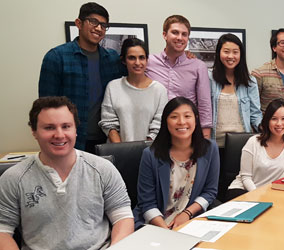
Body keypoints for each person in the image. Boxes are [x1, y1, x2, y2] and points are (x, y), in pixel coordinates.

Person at [0, 96, 133, 249]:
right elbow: (3, 231)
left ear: (75, 129)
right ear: (34, 131)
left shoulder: (103, 169)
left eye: (66, 126)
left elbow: (123, 218)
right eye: (49, 127)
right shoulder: (13, 178)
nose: (59, 135)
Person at [38, 2, 124, 151]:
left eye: (103, 25)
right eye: (94, 22)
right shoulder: (57, 57)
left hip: (106, 140)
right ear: (79, 23)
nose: (99, 28)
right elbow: (46, 107)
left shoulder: (112, 59)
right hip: (70, 140)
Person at [134, 97, 219, 230]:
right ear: (165, 122)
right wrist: (166, 230)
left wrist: (187, 213)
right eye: (174, 117)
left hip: (192, 220)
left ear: (196, 119)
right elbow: (147, 203)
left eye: (187, 116)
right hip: (156, 222)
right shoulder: (150, 155)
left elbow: (210, 191)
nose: (181, 122)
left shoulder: (210, 149)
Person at [146, 15, 212, 139]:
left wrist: (205, 136)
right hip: (155, 131)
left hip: (186, 131)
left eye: (184, 34)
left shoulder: (198, 66)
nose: (180, 38)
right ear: (164, 35)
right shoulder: (148, 62)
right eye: (175, 33)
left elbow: (204, 104)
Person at [227, 99, 284, 200]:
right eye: (274, 119)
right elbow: (246, 177)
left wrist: (270, 197)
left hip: (272, 195)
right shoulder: (253, 142)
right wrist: (260, 197)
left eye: (283, 118)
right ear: (267, 121)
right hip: (244, 191)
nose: (279, 123)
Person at [99, 38, 168, 143]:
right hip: (118, 152)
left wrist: (143, 152)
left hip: (149, 153)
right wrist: (123, 151)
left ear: (147, 60)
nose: (137, 62)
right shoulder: (113, 87)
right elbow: (109, 123)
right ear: (124, 61)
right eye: (132, 58)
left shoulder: (159, 90)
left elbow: (158, 126)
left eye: (141, 58)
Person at [210, 34, 262, 148]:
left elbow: (255, 114)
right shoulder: (209, 78)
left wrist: (265, 127)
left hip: (241, 143)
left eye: (235, 52)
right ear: (219, 53)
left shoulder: (250, 82)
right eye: (226, 51)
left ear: (241, 55)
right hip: (213, 143)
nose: (230, 56)